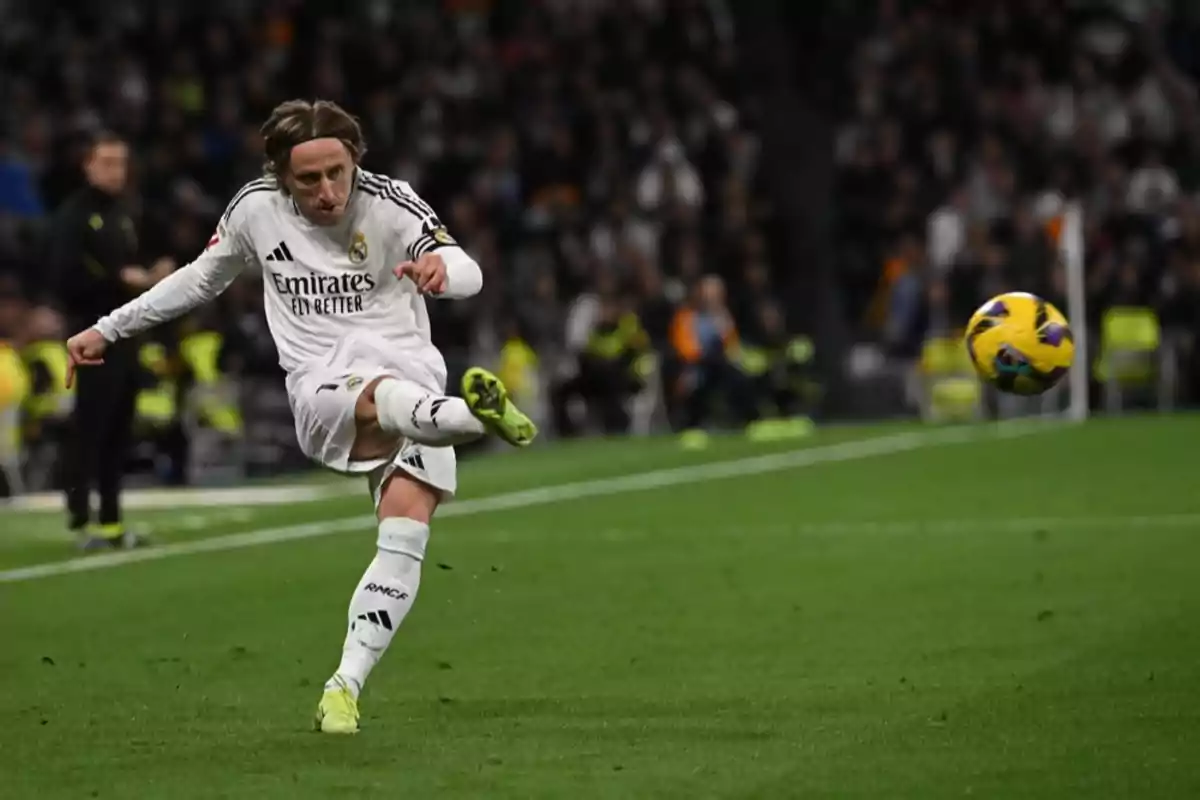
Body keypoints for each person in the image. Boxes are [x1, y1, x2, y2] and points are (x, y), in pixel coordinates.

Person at [64, 99, 538, 735]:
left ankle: (344, 687)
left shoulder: (390, 201)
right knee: (386, 397)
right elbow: (199, 280)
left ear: (355, 161)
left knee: (404, 539)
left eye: (336, 172)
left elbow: (468, 270)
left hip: (411, 373)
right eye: (308, 178)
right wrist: (108, 328)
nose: (326, 191)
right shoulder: (255, 209)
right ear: (281, 176)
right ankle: (473, 417)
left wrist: (438, 270)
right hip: (324, 386)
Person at [48, 130, 174, 549]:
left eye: (120, 163)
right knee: (90, 429)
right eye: (106, 163)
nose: (115, 172)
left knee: (118, 431)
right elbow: (65, 277)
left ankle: (111, 522)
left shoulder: (124, 212)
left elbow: (132, 265)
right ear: (87, 165)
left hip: (125, 338)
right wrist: (121, 281)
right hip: (89, 337)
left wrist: (150, 274)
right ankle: (80, 520)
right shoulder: (75, 216)